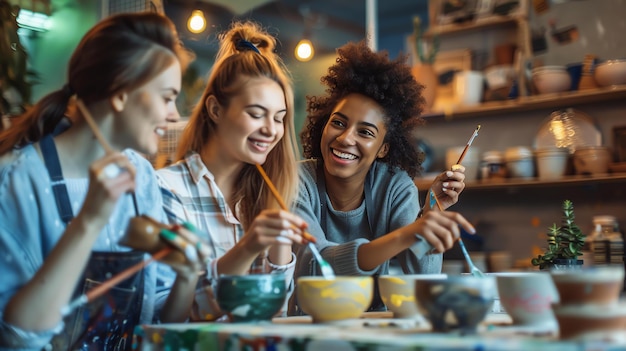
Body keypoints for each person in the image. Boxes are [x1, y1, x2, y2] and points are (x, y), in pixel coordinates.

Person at [0, 12, 197, 350]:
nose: (175, 114)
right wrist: (89, 221)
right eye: (167, 96)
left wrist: (187, 275)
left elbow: (159, 328)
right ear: (120, 93)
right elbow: (15, 338)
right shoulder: (16, 181)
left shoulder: (142, 178)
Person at [290, 41, 475, 313]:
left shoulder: (394, 186)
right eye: (338, 123)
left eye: (365, 132)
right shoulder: (296, 180)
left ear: (383, 148)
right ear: (323, 123)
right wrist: (404, 237)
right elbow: (315, 266)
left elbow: (420, 278)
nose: (345, 138)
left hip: (375, 328)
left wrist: (431, 210)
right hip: (309, 327)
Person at [156, 21, 306, 320]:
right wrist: (248, 247)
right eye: (256, 114)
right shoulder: (166, 190)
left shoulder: (267, 197)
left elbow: (272, 317)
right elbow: (164, 316)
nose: (271, 130)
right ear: (215, 110)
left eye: (279, 118)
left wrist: (281, 251)